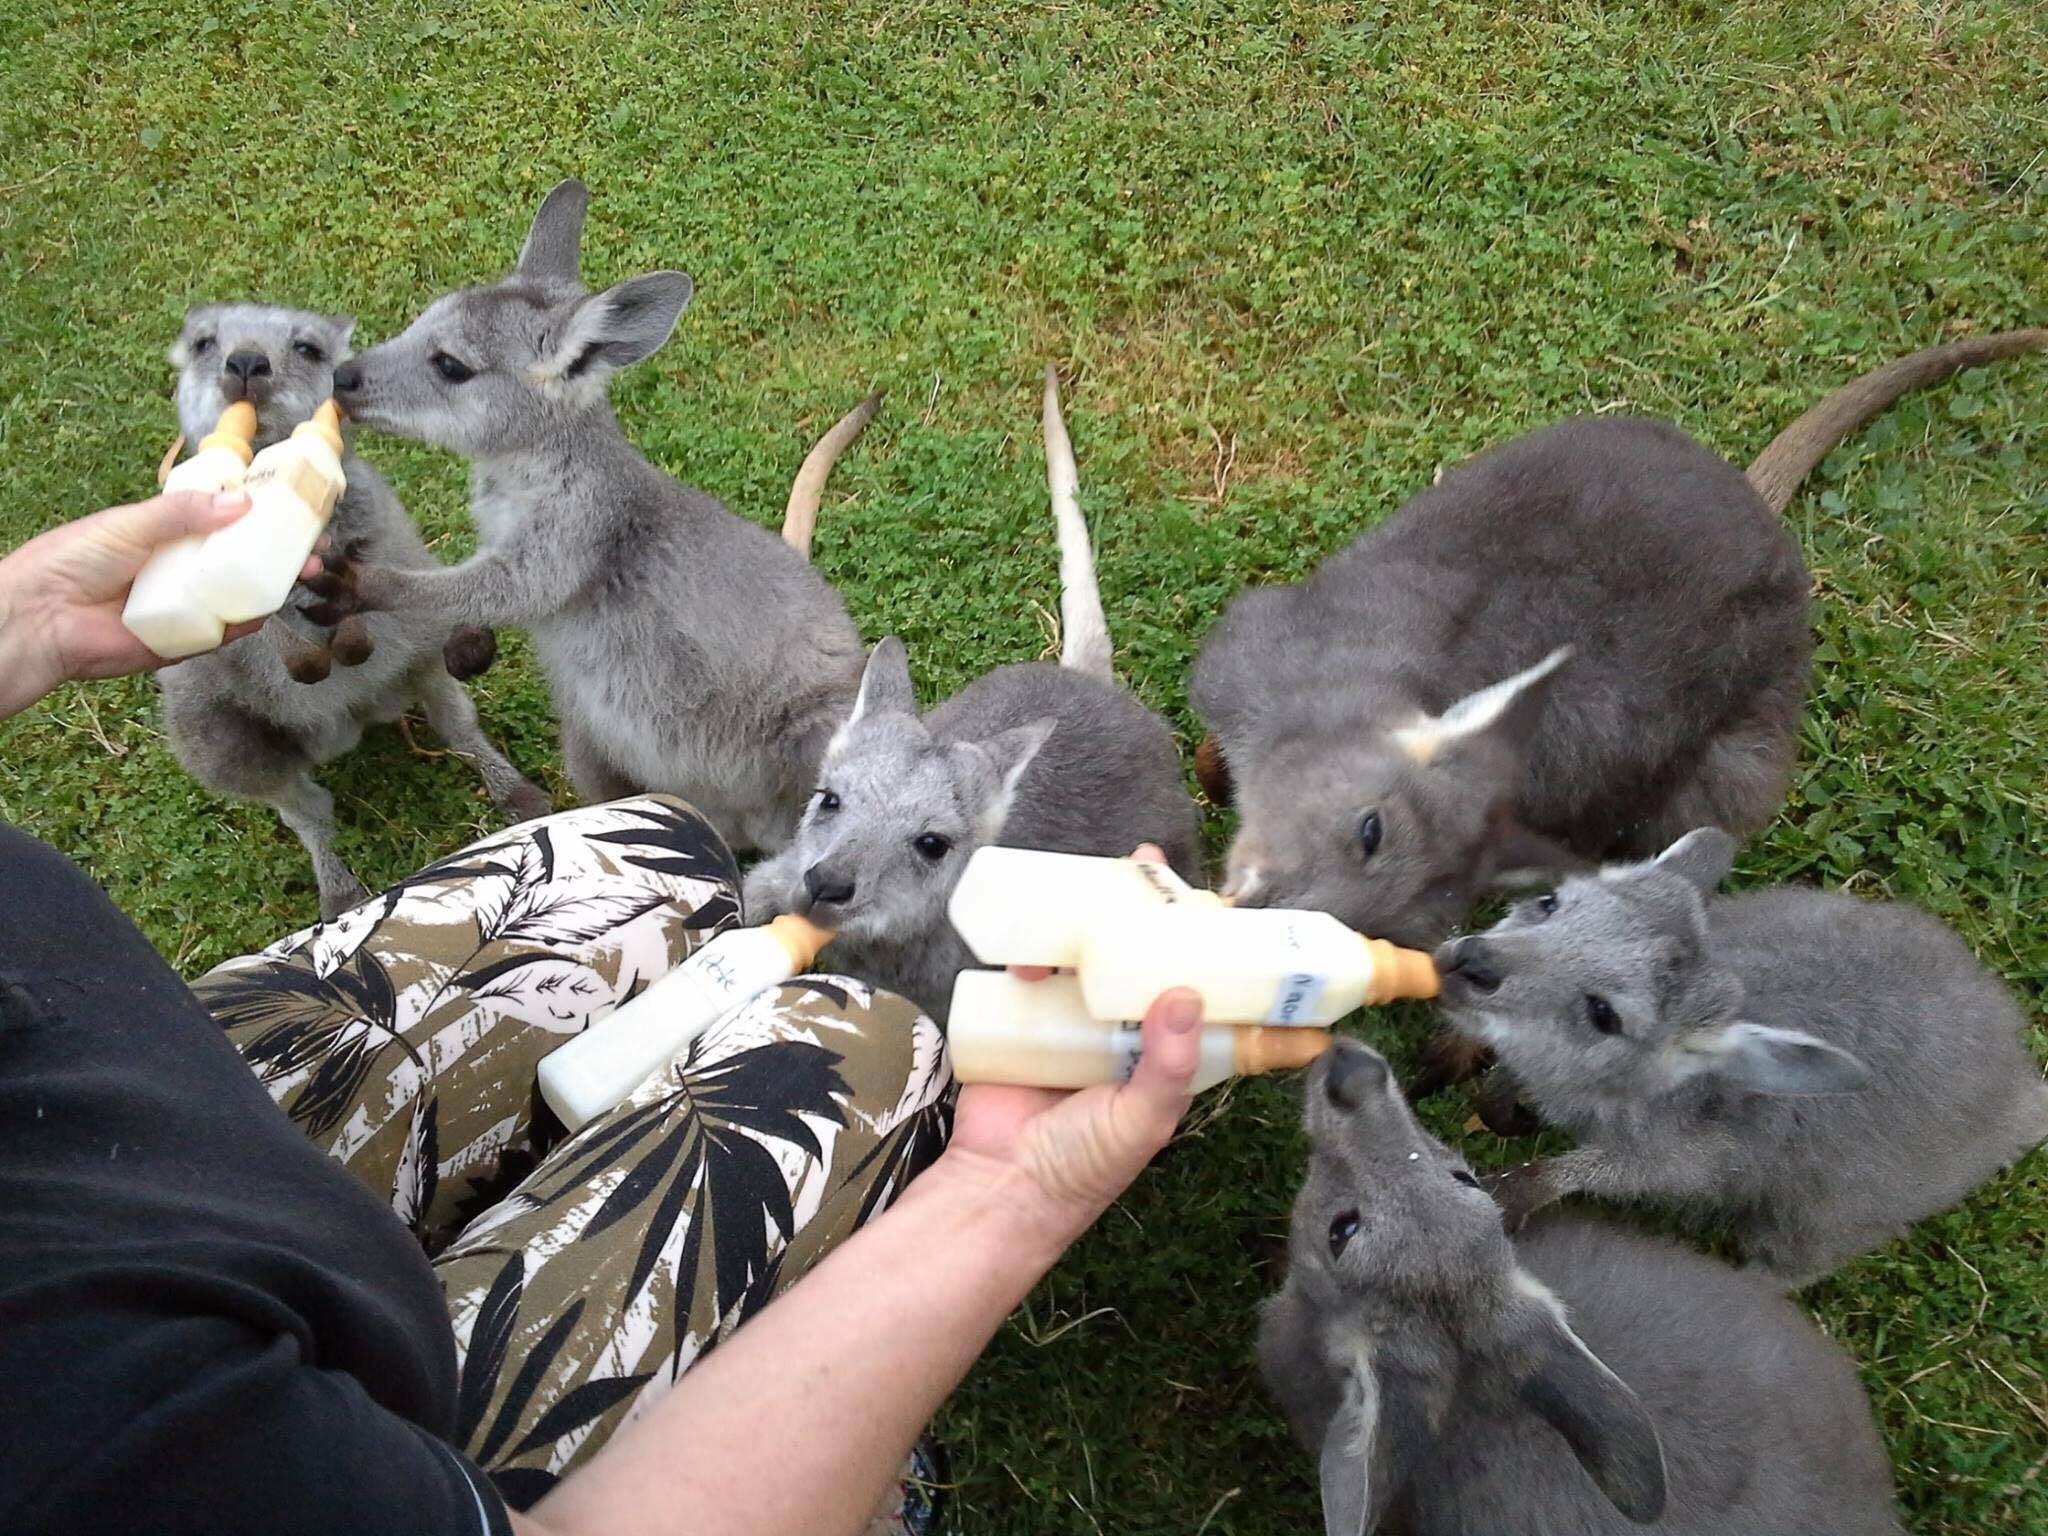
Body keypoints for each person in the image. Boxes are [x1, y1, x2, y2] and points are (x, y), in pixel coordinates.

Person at [0, 491, 1209, 1536]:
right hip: (143, 1357)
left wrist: (25, 622)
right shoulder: (106, 1436)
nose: (831, 864)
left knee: (668, 848)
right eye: (832, 806)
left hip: (80, 1086)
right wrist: (1011, 1195)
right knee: (855, 1041)